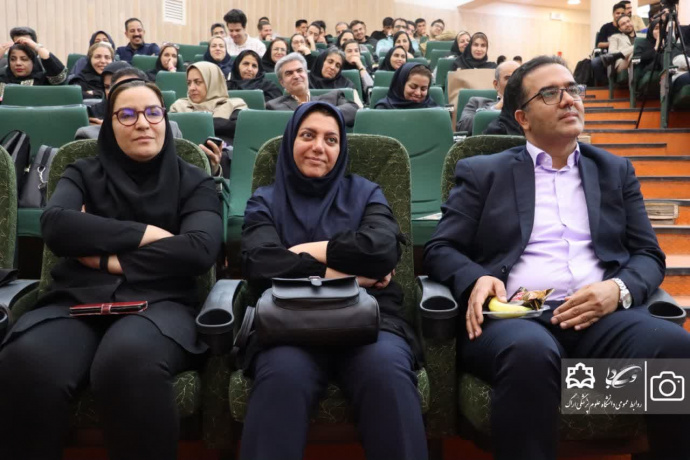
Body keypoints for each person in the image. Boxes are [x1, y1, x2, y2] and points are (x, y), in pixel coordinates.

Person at [424, 54, 690, 460]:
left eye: (573, 90)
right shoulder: (483, 172)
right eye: (550, 94)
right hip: (520, 311)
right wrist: (476, 277)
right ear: (523, 118)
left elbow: (648, 255)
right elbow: (440, 248)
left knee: (674, 347)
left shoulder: (615, 171)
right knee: (530, 354)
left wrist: (617, 290)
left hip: (598, 312)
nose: (569, 100)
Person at [0, 78, 222, 460]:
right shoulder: (81, 171)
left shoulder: (195, 180)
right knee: (27, 361)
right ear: (110, 124)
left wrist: (105, 258)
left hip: (161, 304)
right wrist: (150, 234)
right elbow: (57, 226)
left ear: (165, 119)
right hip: (74, 302)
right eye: (128, 114)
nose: (143, 123)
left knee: (127, 362)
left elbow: (199, 249)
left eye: (153, 112)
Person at [239, 100, 427, 460]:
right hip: (288, 322)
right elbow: (260, 262)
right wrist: (343, 275)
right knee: (282, 377)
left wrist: (306, 250)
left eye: (331, 139)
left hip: (370, 320)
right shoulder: (265, 200)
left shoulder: (366, 192)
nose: (318, 147)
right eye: (308, 135)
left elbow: (382, 251)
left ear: (341, 150)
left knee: (386, 373)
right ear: (291, 140)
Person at [170, 61, 248, 171]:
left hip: (222, 162)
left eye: (198, 82)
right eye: (189, 83)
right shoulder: (178, 106)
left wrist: (191, 123)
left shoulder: (235, 105)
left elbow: (236, 129)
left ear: (213, 82)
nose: (192, 88)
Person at [76, 65, 184, 139]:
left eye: (153, 113)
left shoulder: (172, 130)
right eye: (127, 116)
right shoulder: (90, 136)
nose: (143, 124)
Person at [266, 53, 360, 127]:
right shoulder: (274, 106)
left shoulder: (333, 98)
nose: (296, 76)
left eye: (299, 70)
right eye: (289, 73)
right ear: (282, 82)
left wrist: (322, 114)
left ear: (306, 74)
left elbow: (353, 109)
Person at [457, 60, 520, 133]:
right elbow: (463, 127)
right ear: (496, 84)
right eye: (508, 78)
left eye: (517, 78)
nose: (513, 82)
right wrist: (497, 107)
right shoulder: (477, 103)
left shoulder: (529, 105)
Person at [0, 38, 66, 99]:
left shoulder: (42, 80)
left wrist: (37, 47)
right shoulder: (2, 78)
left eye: (24, 59)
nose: (18, 63)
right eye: (13, 59)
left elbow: (59, 76)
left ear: (33, 62)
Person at [375, 63, 439, 109]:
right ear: (401, 85)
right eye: (413, 87)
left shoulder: (433, 109)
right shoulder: (383, 108)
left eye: (423, 89)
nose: (418, 93)